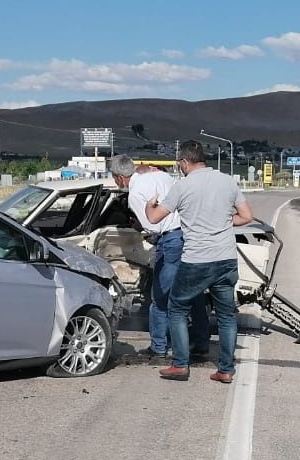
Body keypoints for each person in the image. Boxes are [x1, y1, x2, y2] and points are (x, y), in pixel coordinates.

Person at [144, 140, 252, 383]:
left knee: (177, 308)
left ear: (184, 162)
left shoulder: (183, 186)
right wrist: (224, 223)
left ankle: (180, 365)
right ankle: (226, 369)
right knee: (226, 315)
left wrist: (148, 204)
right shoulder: (227, 181)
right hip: (225, 258)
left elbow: (153, 218)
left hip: (197, 260)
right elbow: (246, 216)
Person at [108, 154, 209, 360]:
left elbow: (151, 224)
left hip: (170, 241)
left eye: (114, 178)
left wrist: (137, 226)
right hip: (189, 236)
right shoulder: (160, 177)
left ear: (119, 177)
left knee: (161, 298)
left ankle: (160, 346)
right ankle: (200, 342)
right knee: (193, 293)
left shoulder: (135, 193)